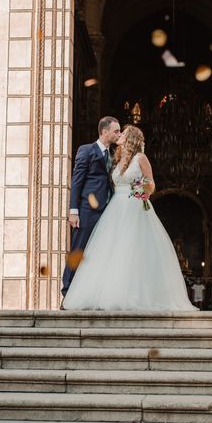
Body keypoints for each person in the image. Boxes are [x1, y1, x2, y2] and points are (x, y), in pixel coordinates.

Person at [62, 125, 196, 311]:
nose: (119, 135)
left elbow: (151, 184)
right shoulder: (117, 158)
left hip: (134, 206)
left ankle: (134, 295)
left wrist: (142, 190)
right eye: (118, 131)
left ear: (131, 138)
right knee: (111, 251)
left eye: (122, 133)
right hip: (116, 208)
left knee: (132, 250)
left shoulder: (141, 158)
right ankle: (108, 293)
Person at [62, 116, 121, 300]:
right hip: (87, 210)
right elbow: (77, 180)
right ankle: (67, 291)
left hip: (107, 211)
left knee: (100, 252)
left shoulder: (112, 154)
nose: (118, 134)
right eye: (116, 131)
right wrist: (73, 211)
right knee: (78, 249)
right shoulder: (86, 150)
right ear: (104, 131)